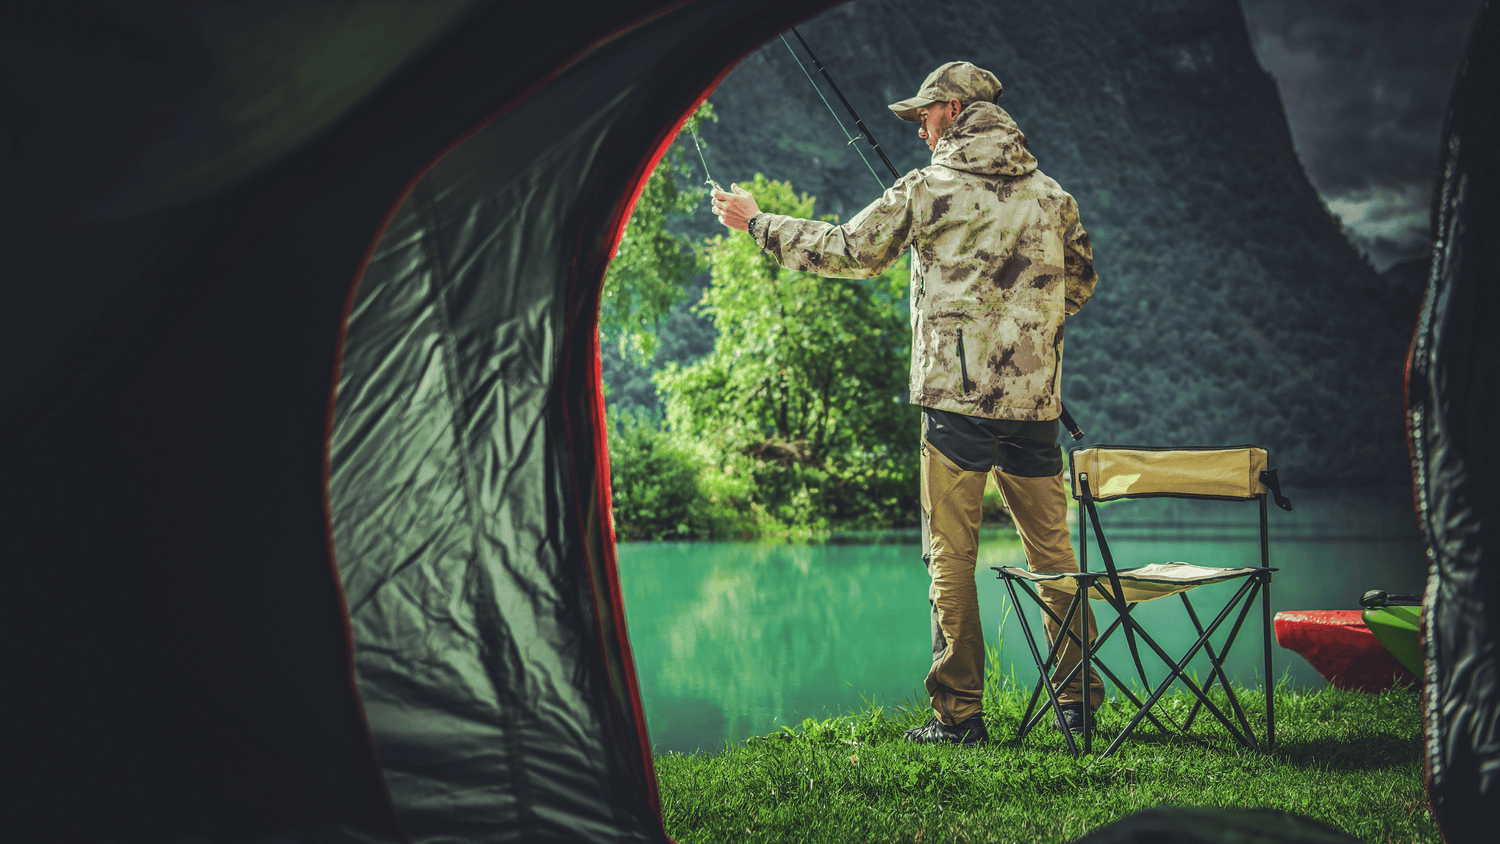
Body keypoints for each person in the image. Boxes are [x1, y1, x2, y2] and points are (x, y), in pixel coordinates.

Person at [710, 61, 1104, 747]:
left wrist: (755, 223)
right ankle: (1078, 705)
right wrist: (1021, 329)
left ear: (953, 110)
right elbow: (1081, 283)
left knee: (951, 558)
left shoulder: (928, 189)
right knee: (1055, 560)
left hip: (955, 412)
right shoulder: (1053, 197)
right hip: (1035, 410)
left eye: (923, 115)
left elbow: (849, 251)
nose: (919, 129)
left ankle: (959, 718)